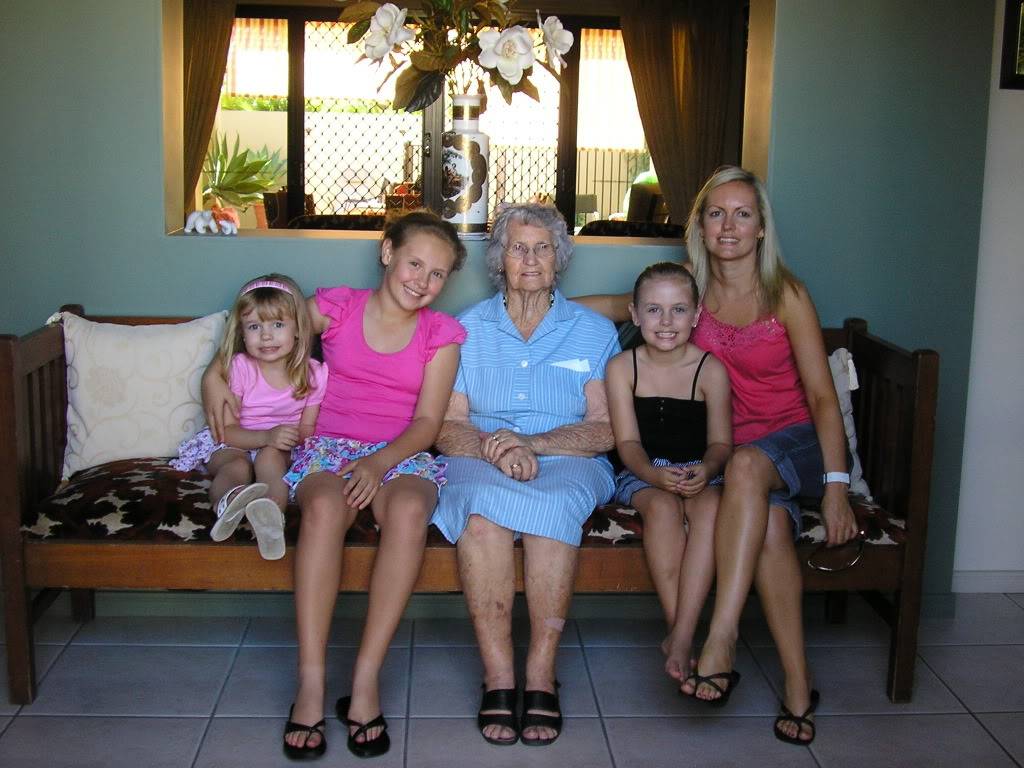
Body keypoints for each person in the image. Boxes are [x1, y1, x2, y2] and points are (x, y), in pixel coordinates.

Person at [579, 166, 859, 745]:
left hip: (793, 443)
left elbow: (822, 399)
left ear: (761, 229)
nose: (728, 225)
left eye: (742, 214)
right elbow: (607, 305)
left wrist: (836, 486)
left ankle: (721, 637)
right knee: (773, 531)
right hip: (733, 457)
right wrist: (524, 307)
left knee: (748, 466)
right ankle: (800, 684)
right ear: (700, 226)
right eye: (715, 213)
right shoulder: (688, 287)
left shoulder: (787, 293)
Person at [204, 212, 467, 760]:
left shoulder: (441, 335)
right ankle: (312, 682)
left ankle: (366, 679)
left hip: (401, 453)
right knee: (323, 507)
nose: (422, 280)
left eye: (438, 274)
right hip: (329, 446)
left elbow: (426, 424)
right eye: (415, 262)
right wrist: (213, 373)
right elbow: (263, 327)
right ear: (387, 252)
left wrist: (378, 465)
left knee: (410, 511)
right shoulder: (338, 306)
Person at [431, 203, 619, 747]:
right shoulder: (466, 330)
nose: (531, 258)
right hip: (479, 455)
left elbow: (604, 429)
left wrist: (534, 444)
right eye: (518, 247)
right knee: (482, 518)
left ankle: (540, 675)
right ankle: (499, 677)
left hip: (569, 459)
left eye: (542, 248)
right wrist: (499, 451)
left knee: (552, 511)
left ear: (559, 258)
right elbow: (449, 425)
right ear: (499, 261)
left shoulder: (592, 332)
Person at [604, 262, 731, 689]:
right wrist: (653, 477)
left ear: (696, 316)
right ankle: (681, 631)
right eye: (654, 310)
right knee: (661, 509)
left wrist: (707, 469)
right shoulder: (623, 367)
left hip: (699, 472)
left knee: (712, 507)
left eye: (678, 310)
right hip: (641, 473)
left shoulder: (710, 370)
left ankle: (680, 633)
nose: (666, 322)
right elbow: (627, 445)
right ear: (635, 314)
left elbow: (720, 445)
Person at [173, 273, 325, 561]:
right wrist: (264, 436)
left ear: (298, 329)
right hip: (236, 441)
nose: (266, 335)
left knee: (270, 458)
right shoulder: (239, 368)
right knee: (235, 466)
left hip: (281, 448)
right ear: (242, 333)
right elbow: (226, 431)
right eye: (255, 326)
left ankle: (270, 518)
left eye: (278, 324)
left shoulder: (313, 373)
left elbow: (308, 428)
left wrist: (284, 440)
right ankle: (228, 502)